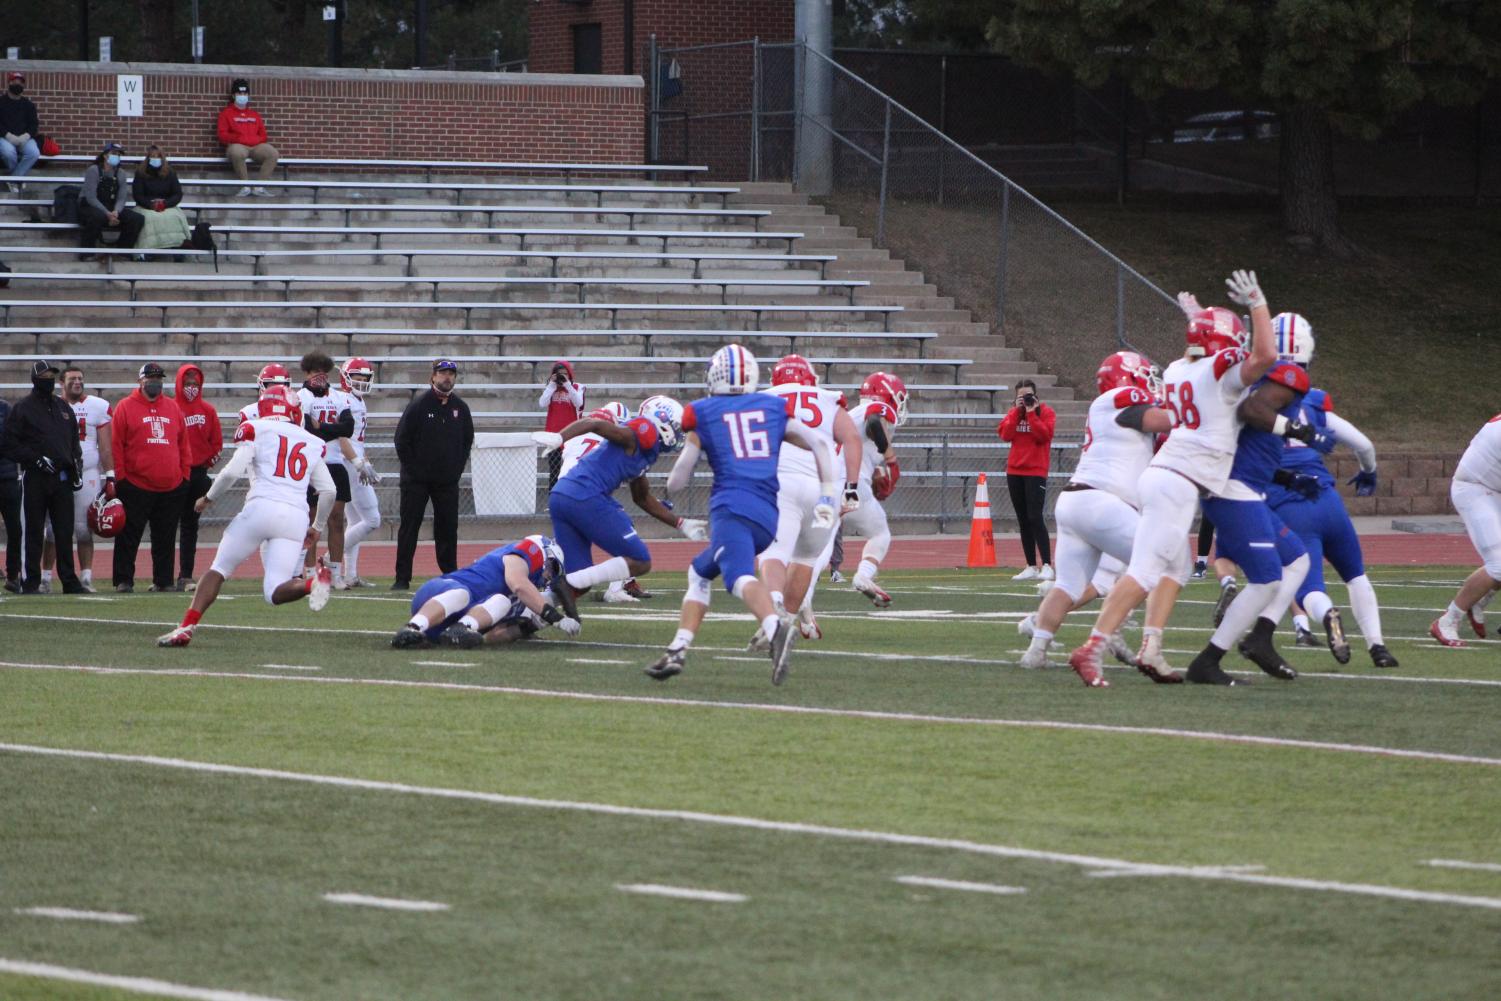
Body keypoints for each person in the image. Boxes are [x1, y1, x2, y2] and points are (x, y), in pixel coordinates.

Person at [1067, 271, 1281, 688]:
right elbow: (1265, 356)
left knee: (1177, 568)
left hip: (1166, 474)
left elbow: (1206, 353)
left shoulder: (1179, 369)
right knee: (1146, 571)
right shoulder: (1216, 373)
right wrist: (1257, 303)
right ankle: (1092, 647)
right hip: (1179, 480)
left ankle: (1151, 646)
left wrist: (1201, 318)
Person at [645, 344, 839, 686]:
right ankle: (678, 649)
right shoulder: (772, 407)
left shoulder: (702, 412)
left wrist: (671, 480)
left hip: (731, 509)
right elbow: (821, 445)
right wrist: (826, 492)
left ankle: (775, 626)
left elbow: (678, 479)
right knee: (699, 572)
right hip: (768, 514)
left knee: (737, 577)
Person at [1019, 351, 1177, 673]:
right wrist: (1192, 404)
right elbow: (1163, 419)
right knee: (1160, 562)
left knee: (1068, 586)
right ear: (1130, 378)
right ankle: (1115, 633)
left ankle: (1035, 651)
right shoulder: (1118, 398)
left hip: (1078, 502)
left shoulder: (1113, 411)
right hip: (1103, 502)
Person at [1264, 312, 1398, 668]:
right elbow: (1364, 445)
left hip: (1288, 502)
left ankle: (1327, 617)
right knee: (1356, 574)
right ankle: (1378, 647)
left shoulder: (1251, 401)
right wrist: (1368, 472)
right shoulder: (1314, 402)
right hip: (1327, 499)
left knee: (1306, 587)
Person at [158, 387, 335, 648]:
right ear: (294, 412)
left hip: (261, 507)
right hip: (295, 516)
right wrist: (317, 526)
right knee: (274, 591)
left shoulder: (255, 428)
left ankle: (186, 627)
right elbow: (329, 490)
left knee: (219, 569)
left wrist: (208, 498)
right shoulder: (313, 441)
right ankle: (311, 583)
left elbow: (231, 472)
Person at [536, 394, 698, 602]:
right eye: (674, 426)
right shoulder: (638, 435)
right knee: (640, 560)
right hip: (585, 495)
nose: (678, 433)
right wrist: (560, 437)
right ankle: (604, 588)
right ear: (661, 421)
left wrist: (680, 523)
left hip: (562, 495)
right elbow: (593, 423)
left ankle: (527, 612)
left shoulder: (646, 451)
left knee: (580, 585)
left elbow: (642, 498)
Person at [757, 354, 862, 644]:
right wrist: (851, 487)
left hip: (781, 485)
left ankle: (776, 602)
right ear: (810, 379)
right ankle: (787, 622)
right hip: (823, 489)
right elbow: (851, 438)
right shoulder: (827, 399)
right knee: (806, 558)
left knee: (773, 554)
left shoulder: (764, 399)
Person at [390, 535, 581, 649]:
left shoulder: (521, 599)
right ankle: (412, 628)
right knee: (462, 594)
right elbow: (518, 583)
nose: (548, 575)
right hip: (439, 593)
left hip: (445, 626)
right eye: (553, 568)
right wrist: (554, 616)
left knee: (501, 601)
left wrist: (529, 627)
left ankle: (461, 629)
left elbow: (493, 636)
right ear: (547, 553)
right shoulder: (531, 550)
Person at [0, 360, 85, 594]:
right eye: (44, 375)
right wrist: (34, 459)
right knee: (33, 531)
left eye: (51, 375)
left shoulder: (62, 407)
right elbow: (9, 444)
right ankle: (31, 581)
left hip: (62, 478)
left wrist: (75, 466)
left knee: (64, 531)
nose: (48, 379)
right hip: (35, 478)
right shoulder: (23, 408)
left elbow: (73, 442)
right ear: (35, 379)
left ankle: (69, 579)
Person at [392, 359, 474, 590]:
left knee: (448, 528)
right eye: (443, 373)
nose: (447, 377)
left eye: (451, 373)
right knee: (410, 527)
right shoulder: (419, 405)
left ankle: (450, 573)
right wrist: (414, 470)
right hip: (416, 481)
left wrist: (456, 469)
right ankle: (402, 577)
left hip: (446, 481)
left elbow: (467, 440)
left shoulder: (460, 407)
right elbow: (401, 440)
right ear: (433, 376)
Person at [829, 371, 908, 609]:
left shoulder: (854, 415)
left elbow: (860, 447)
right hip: (850, 486)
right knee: (880, 533)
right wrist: (891, 460)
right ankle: (863, 575)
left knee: (818, 544)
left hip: (824, 484)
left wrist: (876, 474)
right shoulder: (878, 410)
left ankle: (799, 601)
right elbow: (875, 421)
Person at [111, 362, 191, 593]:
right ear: (140, 381)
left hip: (171, 484)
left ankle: (163, 580)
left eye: (158, 378)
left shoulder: (173, 407)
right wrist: (121, 478)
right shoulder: (125, 406)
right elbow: (117, 445)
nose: (155, 382)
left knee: (165, 537)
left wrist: (184, 475)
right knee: (129, 535)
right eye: (150, 378)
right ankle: (124, 580)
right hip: (136, 483)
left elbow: (183, 444)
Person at [1431, 411, 1501, 648]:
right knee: (1499, 565)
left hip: (1495, 488)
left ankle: (1480, 599)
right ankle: (1448, 620)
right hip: (1475, 489)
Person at [39, 366, 111, 592]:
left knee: (83, 528)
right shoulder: (51, 404)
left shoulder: (97, 406)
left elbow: (106, 445)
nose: (77, 382)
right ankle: (45, 577)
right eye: (72, 379)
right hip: (58, 472)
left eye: (80, 378)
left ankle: (87, 577)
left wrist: (110, 475)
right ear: (62, 382)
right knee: (52, 529)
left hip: (87, 472)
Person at [297, 350, 364, 588]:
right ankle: (310, 572)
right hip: (312, 464)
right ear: (306, 373)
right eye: (316, 372)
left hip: (335, 462)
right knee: (313, 520)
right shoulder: (301, 397)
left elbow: (347, 428)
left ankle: (335, 573)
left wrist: (323, 426)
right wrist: (329, 428)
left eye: (324, 372)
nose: (320, 376)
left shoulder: (338, 397)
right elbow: (307, 429)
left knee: (337, 520)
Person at [997, 378, 1056, 581]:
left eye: (1029, 395)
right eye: (1021, 397)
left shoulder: (1046, 412)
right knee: (1023, 519)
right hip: (1015, 471)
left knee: (1035, 517)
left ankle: (1047, 564)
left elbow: (1043, 436)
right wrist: (1016, 411)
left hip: (1036, 471)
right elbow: (1005, 434)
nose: (1026, 400)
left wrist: (1032, 414)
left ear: (1036, 395)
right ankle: (1030, 565)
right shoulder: (1013, 413)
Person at [172, 363, 222, 590]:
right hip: (175, 473)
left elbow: (216, 442)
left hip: (199, 472)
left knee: (190, 525)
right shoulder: (171, 408)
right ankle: (161, 577)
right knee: (166, 525)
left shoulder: (208, 410)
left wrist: (208, 461)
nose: (191, 387)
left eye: (195, 383)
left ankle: (185, 575)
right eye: (187, 383)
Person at [337, 358, 383, 588]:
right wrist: (357, 462)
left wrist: (364, 459)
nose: (362, 381)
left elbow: (356, 438)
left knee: (355, 521)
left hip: (354, 460)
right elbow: (342, 436)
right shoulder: (343, 400)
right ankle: (328, 559)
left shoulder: (357, 400)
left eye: (365, 378)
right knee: (372, 519)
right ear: (346, 377)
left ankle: (350, 574)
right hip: (348, 463)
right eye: (357, 377)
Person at [78, 142, 145, 260]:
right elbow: (91, 197)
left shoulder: (121, 173)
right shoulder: (93, 170)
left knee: (136, 218)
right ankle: (87, 253)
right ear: (105, 155)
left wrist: (116, 212)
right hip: (90, 206)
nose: (117, 156)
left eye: (119, 154)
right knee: (96, 217)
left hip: (111, 206)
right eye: (113, 153)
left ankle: (122, 252)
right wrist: (107, 213)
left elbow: (121, 197)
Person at [217, 78, 279, 197]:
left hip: (256, 146)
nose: (243, 96)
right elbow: (222, 135)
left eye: (245, 93)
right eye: (240, 93)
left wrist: (254, 140)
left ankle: (259, 187)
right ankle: (245, 186)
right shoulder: (226, 114)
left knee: (273, 153)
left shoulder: (254, 114)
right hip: (238, 145)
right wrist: (238, 138)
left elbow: (263, 135)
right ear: (234, 95)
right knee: (236, 152)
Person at [131, 146, 192, 255]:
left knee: (175, 216)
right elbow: (138, 195)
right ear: (148, 158)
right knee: (148, 218)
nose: (155, 159)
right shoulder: (140, 173)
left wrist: (165, 204)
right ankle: (146, 251)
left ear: (162, 158)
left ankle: (177, 248)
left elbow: (177, 194)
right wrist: (151, 205)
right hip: (146, 205)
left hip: (167, 205)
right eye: (153, 156)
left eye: (158, 156)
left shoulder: (170, 173)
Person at [539, 360, 586, 489]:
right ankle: (552, 499)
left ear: (570, 373)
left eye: (565, 373)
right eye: (559, 374)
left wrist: (567, 385)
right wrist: (552, 385)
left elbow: (578, 403)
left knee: (569, 468)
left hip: (571, 434)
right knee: (553, 470)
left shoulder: (577, 387)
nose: (562, 376)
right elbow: (542, 403)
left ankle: (569, 496)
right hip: (553, 434)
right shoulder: (551, 387)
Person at [1, 71, 41, 187]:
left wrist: (26, 136)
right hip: (5, 137)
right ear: (9, 83)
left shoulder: (28, 105)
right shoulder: (1, 102)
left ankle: (14, 179)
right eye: (15, 81)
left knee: (34, 153)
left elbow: (34, 125)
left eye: (20, 82)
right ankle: (18, 178)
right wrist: (8, 135)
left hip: (24, 138)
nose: (18, 84)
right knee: (8, 153)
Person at [0, 396, 20, 591]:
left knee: (15, 528)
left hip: (7, 476)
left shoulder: (6, 408)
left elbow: (12, 440)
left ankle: (13, 574)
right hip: (7, 472)